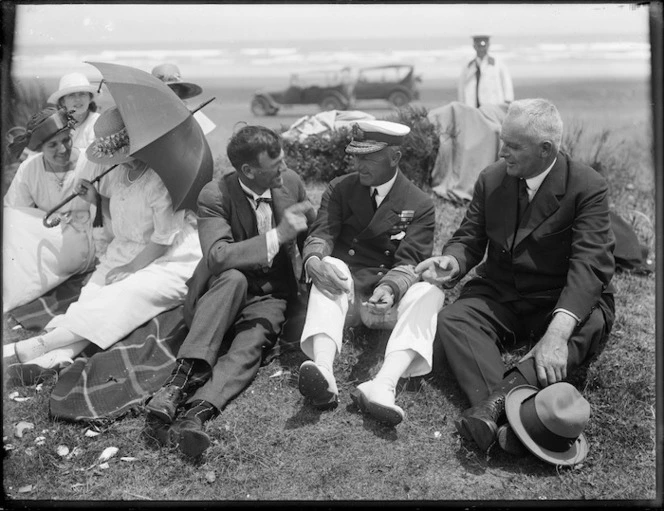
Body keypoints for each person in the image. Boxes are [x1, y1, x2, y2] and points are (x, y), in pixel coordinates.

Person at [416, 98, 615, 454]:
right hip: (502, 293)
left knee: (587, 323)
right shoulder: (492, 178)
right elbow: (469, 238)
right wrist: (453, 261)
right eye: (501, 139)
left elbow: (589, 264)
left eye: (512, 145)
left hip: (558, 298)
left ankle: (492, 410)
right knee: (455, 318)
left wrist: (557, 332)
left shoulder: (587, 186)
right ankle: (520, 416)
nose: (501, 150)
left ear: (546, 149)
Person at [144, 125, 315, 458]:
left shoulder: (290, 181)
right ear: (248, 171)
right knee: (234, 277)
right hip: (224, 285)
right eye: (274, 165)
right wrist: (278, 235)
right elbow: (218, 257)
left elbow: (310, 216)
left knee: (252, 343)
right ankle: (175, 386)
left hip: (271, 292)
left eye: (283, 160)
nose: (284, 169)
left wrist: (306, 228)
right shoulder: (215, 195)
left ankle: (196, 415)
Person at [3, 106, 202, 382]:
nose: (125, 161)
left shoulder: (161, 180)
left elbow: (163, 238)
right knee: (92, 297)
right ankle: (53, 359)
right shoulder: (121, 173)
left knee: (123, 295)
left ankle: (35, 346)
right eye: (118, 157)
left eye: (128, 154)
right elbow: (123, 213)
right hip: (127, 248)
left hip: (169, 258)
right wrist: (97, 200)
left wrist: (132, 267)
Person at [297, 119, 445, 426]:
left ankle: (384, 385)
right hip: (346, 297)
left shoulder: (419, 203)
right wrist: (313, 261)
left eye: (369, 157)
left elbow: (410, 260)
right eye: (356, 156)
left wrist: (390, 289)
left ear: (395, 157)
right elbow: (322, 233)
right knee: (332, 265)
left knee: (430, 291)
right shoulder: (341, 188)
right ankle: (323, 369)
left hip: (387, 303)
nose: (359, 164)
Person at [3, 106, 96, 312]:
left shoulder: (89, 164)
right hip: (47, 228)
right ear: (39, 148)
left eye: (66, 140)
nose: (62, 150)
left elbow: (103, 214)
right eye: (52, 145)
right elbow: (15, 210)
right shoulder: (29, 168)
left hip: (84, 236)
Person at [150, 63, 216, 136]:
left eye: (173, 89)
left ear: (180, 90)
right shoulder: (147, 116)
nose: (170, 93)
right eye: (165, 89)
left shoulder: (194, 115)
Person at [47, 72, 101, 150]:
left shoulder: (98, 123)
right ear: (62, 101)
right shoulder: (54, 124)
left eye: (82, 94)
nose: (78, 99)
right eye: (71, 95)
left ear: (90, 98)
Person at [457, 35, 514, 108]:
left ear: (488, 46)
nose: (481, 49)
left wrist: (508, 100)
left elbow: (506, 82)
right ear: (474, 46)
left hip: (493, 105)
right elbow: (461, 86)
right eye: (478, 46)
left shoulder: (497, 63)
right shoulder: (468, 65)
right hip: (473, 106)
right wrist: (462, 104)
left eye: (483, 46)